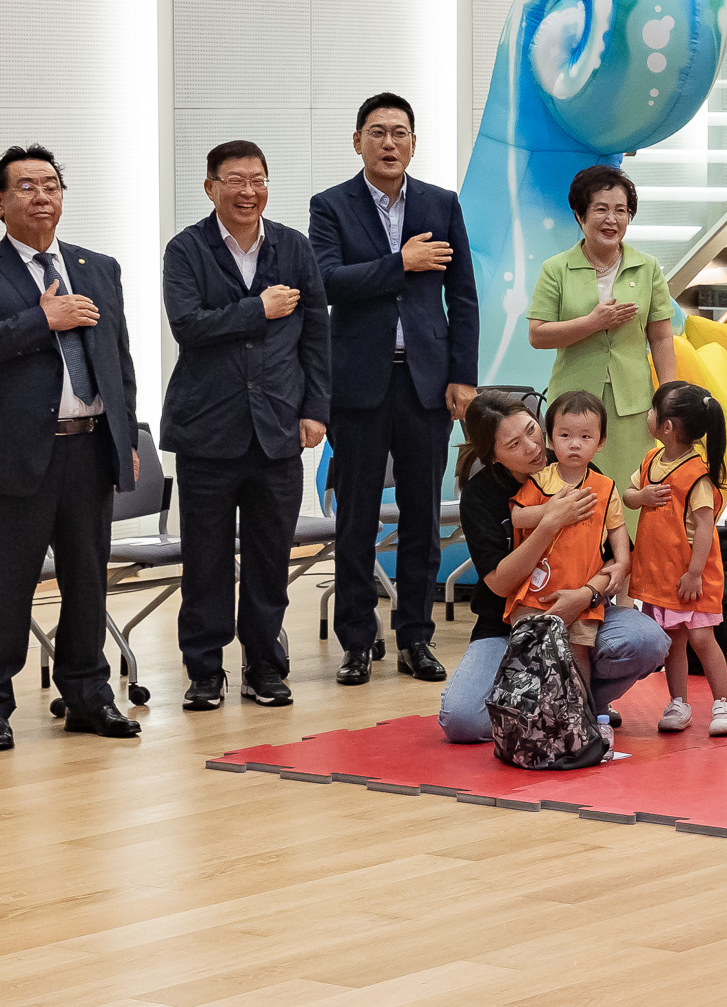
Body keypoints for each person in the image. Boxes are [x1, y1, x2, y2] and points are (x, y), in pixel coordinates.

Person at [0, 145, 141, 750]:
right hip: (11, 455)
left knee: (87, 581)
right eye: (25, 186)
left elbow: (118, 361)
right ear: (0, 202)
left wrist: (125, 436)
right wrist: (42, 319)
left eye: (51, 185)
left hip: (87, 448)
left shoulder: (98, 266)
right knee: (3, 586)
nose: (41, 196)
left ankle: (87, 696)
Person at [312, 93, 479, 687]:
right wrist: (400, 262)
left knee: (421, 517)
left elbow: (462, 295)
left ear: (413, 143)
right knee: (355, 518)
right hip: (358, 384)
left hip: (426, 383)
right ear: (356, 140)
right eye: (377, 132)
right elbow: (326, 282)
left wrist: (463, 376)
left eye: (400, 133)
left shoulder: (441, 203)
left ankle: (415, 637)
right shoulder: (330, 206)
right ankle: (357, 641)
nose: (389, 143)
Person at [159, 140, 329, 710]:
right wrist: (259, 308)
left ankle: (264, 665)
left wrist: (315, 409)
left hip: (278, 426)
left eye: (257, 179)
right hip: (207, 430)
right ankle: (204, 671)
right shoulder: (186, 250)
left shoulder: (294, 247)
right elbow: (188, 325)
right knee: (204, 560)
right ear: (210, 187)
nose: (248, 191)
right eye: (235, 180)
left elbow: (316, 335)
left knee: (269, 557)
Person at [439, 393, 667, 742]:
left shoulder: (576, 466)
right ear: (493, 456)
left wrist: (585, 594)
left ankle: (581, 704)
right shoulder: (481, 494)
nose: (532, 447)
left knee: (647, 641)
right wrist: (548, 523)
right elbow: (499, 583)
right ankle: (554, 705)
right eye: (514, 444)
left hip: (582, 606)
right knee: (462, 722)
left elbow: (618, 557)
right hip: (510, 624)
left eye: (532, 431)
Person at [527, 165, 678, 489]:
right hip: (573, 403)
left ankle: (631, 543)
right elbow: (537, 335)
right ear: (580, 215)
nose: (612, 219)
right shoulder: (556, 269)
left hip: (634, 402)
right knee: (577, 492)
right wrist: (592, 323)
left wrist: (670, 393)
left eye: (621, 211)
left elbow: (662, 337)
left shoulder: (647, 266)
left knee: (633, 489)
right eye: (601, 209)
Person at [626, 380, 727, 736]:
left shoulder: (696, 474)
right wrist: (640, 496)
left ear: (667, 426)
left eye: (653, 410)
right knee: (671, 641)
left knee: (702, 639)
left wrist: (693, 573)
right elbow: (627, 495)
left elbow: (706, 529)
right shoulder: (649, 460)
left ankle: (724, 702)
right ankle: (678, 702)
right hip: (661, 576)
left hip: (692, 577)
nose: (648, 415)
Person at [507, 392, 634, 700]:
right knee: (533, 655)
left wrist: (621, 562)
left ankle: (582, 716)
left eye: (585, 436)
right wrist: (552, 513)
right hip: (536, 593)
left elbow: (617, 528)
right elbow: (518, 516)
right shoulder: (539, 481)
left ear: (600, 442)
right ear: (550, 439)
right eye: (565, 435)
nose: (575, 444)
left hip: (582, 594)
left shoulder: (605, 487)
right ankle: (534, 716)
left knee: (579, 654)